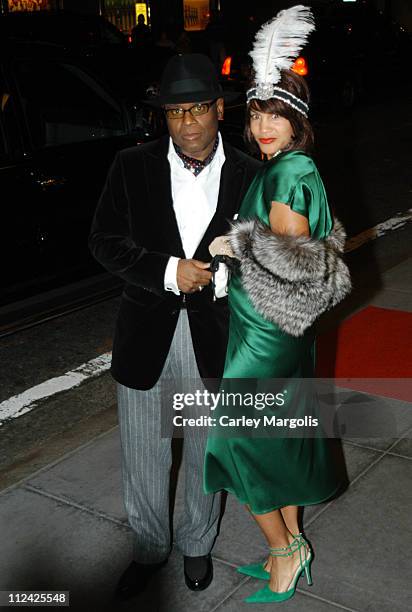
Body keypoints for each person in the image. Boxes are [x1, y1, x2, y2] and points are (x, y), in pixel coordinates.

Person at [88, 53, 261, 600]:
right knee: (143, 448)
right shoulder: (130, 165)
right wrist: (166, 271)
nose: (187, 124)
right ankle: (148, 549)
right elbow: (105, 241)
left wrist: (218, 275)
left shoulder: (250, 174)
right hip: (146, 332)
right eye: (174, 113)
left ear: (217, 109)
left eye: (197, 110)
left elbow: (264, 252)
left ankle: (196, 543)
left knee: (207, 448)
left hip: (215, 335)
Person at [203, 6, 351, 604]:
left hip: (267, 329)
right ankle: (288, 544)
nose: (265, 125)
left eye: (278, 114)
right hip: (264, 327)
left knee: (233, 436)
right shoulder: (293, 167)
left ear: (298, 121)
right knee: (274, 436)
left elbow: (293, 263)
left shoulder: (289, 172)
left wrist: (234, 243)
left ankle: (284, 549)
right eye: (258, 112)